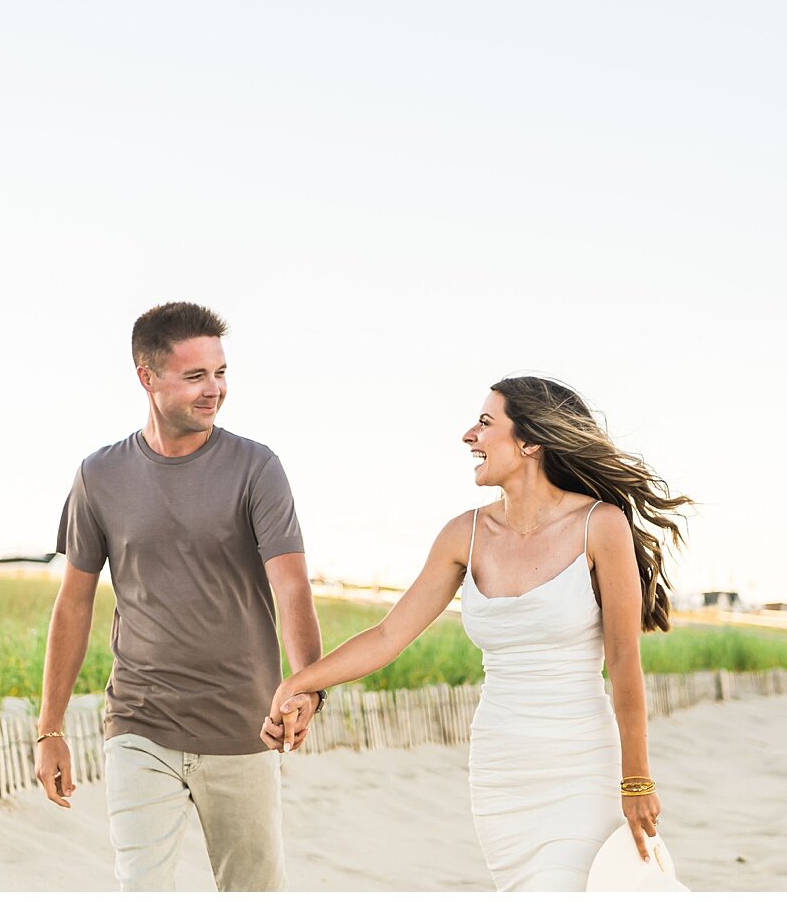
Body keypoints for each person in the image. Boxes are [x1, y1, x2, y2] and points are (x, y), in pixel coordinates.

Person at [263, 376, 691, 891]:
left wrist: (636, 776)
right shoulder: (463, 535)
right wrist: (300, 684)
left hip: (579, 765)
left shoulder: (600, 525)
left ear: (530, 442)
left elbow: (624, 660)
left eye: (486, 423)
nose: (470, 435)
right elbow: (385, 637)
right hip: (500, 771)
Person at [37, 301, 325, 892]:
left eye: (220, 373)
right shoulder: (100, 476)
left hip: (245, 728)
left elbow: (291, 584)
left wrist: (306, 689)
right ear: (148, 377)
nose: (214, 389)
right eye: (196, 376)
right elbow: (73, 603)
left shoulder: (256, 467)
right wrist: (50, 728)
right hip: (142, 723)